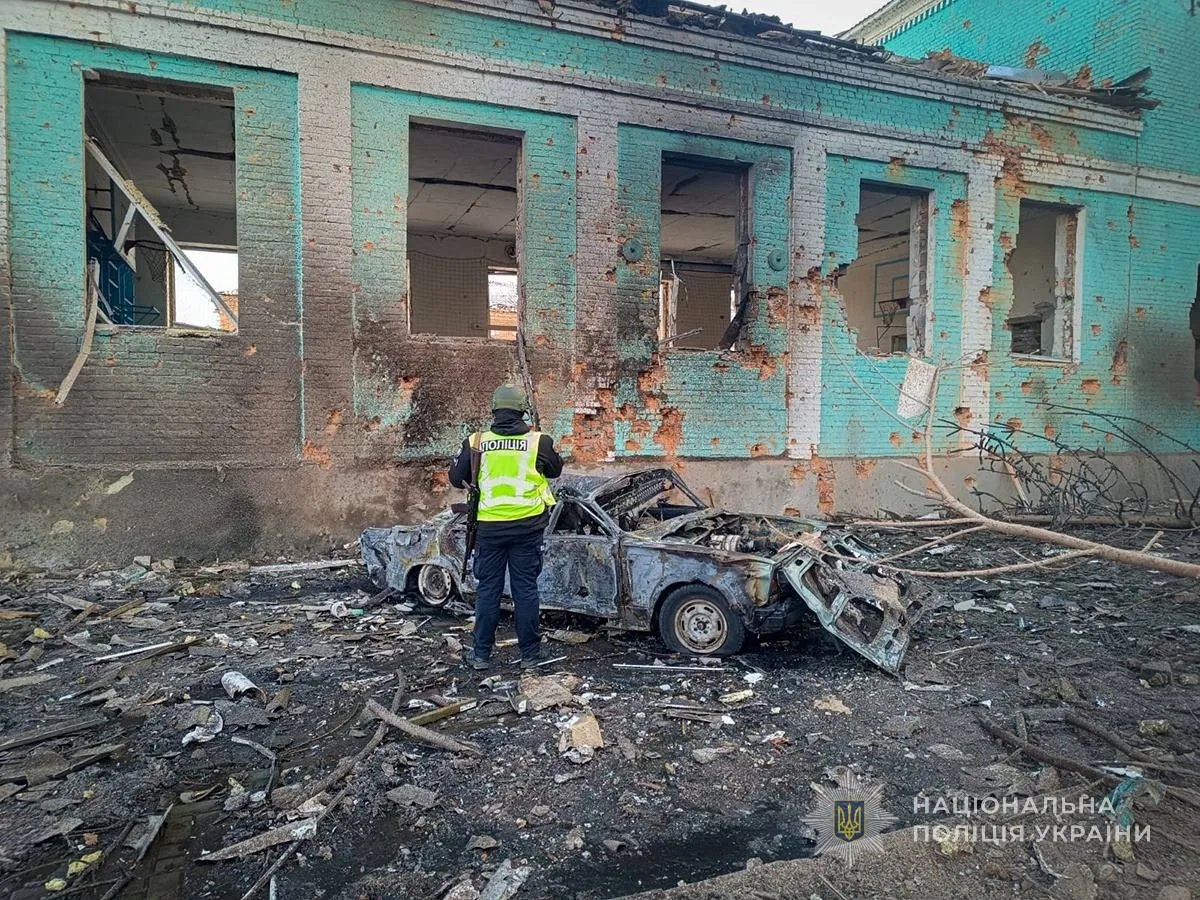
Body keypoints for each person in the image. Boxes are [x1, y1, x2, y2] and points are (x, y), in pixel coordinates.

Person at [449, 384, 563, 670]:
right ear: (522, 410)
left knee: (488, 590)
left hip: (489, 528)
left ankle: (481, 656)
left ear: (494, 410)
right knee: (525, 590)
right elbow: (555, 470)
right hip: (527, 527)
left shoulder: (476, 442)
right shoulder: (538, 442)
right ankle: (530, 656)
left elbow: (455, 477)